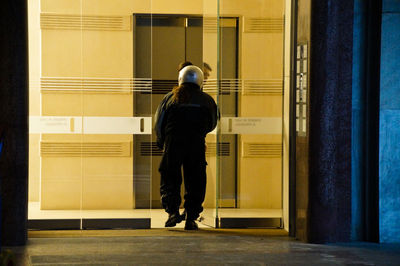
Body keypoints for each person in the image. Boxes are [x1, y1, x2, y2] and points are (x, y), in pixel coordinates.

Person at [154, 65, 218, 230]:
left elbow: (159, 122)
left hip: (173, 144)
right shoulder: (207, 100)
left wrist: (162, 141)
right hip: (195, 145)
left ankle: (172, 213)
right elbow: (212, 123)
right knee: (196, 180)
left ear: (180, 79)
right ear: (200, 81)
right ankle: (191, 217)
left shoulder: (170, 98)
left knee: (170, 178)